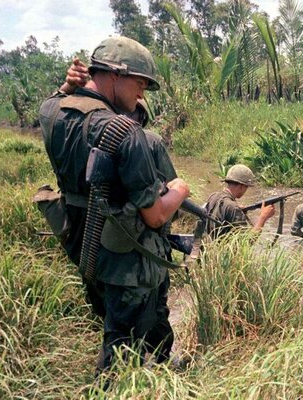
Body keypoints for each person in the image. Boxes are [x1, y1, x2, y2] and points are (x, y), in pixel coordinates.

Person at [39, 36, 190, 372]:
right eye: (140, 83)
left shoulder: (51, 111)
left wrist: (66, 86)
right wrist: (180, 189)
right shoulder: (123, 131)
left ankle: (160, 364)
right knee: (121, 344)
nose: (141, 95)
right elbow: (155, 216)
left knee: (119, 319)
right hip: (125, 255)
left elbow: (58, 99)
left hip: (84, 244)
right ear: (114, 75)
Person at [203, 164, 275, 239]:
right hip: (224, 250)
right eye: (246, 187)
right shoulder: (233, 208)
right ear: (241, 186)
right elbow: (248, 241)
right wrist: (263, 217)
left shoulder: (213, 196)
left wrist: (237, 210)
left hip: (210, 246)